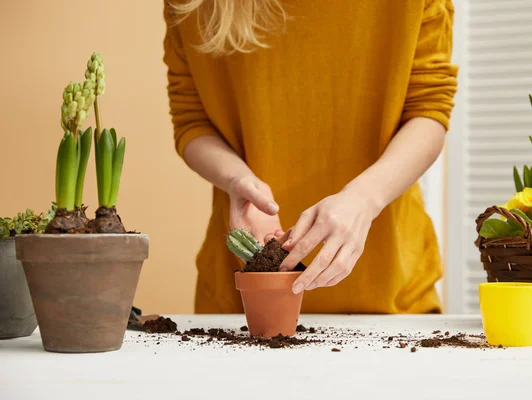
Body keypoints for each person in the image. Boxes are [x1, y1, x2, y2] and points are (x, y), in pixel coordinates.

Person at [163, 0, 458, 314]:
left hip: (391, 295)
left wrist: (364, 199)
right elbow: (192, 122)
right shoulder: (191, 5)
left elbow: (428, 110)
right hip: (243, 307)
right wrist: (237, 180)